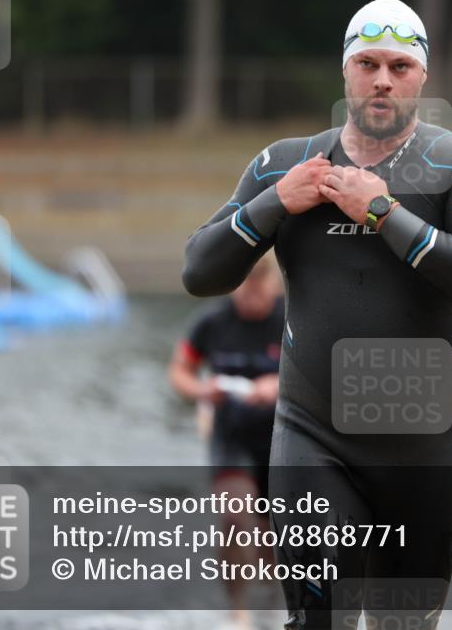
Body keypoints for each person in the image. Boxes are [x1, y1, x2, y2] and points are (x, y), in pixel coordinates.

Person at [182, 0, 452, 629]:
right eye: (367, 63)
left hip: (421, 455)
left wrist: (385, 213)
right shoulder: (285, 165)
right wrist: (275, 204)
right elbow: (200, 271)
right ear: (345, 71)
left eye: (399, 65)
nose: (382, 79)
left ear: (422, 75)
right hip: (314, 435)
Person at [169, 256, 283, 629]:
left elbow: (325, 372)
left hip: (283, 438)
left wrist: (278, 386)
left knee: (275, 533)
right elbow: (180, 371)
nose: (250, 300)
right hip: (230, 436)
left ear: (274, 285)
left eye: (257, 291)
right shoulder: (213, 322)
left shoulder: (293, 318)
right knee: (236, 519)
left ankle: (275, 603)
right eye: (243, 290)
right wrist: (202, 389)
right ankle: (238, 613)